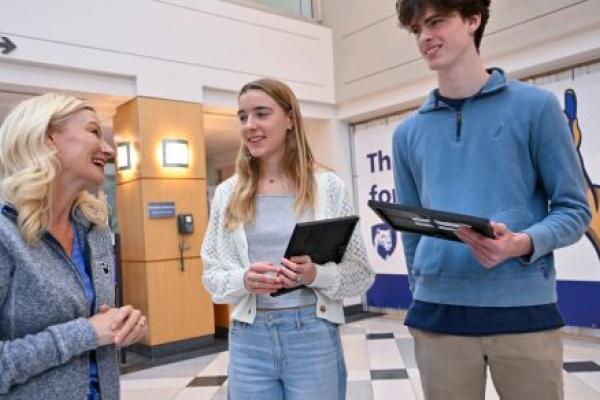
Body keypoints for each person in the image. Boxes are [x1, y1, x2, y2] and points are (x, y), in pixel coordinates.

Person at [392, 1, 592, 399]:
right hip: (437, 317)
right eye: (417, 29)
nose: (425, 36)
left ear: (472, 19)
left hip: (524, 315)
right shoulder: (407, 133)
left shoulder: (536, 109)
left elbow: (575, 209)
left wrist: (522, 243)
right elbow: (411, 228)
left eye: (436, 21)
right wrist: (422, 285)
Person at [201, 78, 375, 400]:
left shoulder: (328, 187)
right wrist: (244, 279)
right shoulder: (227, 194)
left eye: (261, 114)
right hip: (249, 340)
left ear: (289, 118)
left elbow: (360, 273)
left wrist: (315, 274)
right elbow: (212, 278)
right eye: (242, 116)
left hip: (312, 335)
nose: (250, 125)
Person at [0, 93, 148, 399]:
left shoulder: (94, 229)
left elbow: (99, 320)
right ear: (48, 138)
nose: (108, 150)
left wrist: (125, 324)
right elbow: (90, 330)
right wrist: (87, 333)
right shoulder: (5, 233)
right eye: (94, 131)